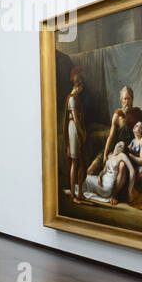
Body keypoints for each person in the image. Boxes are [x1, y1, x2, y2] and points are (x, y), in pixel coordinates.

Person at [82, 141, 135, 205]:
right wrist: (100, 176)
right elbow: (104, 170)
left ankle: (110, 196)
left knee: (85, 181)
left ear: (123, 150)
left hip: (108, 185)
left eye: (122, 146)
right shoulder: (110, 155)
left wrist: (129, 192)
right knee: (85, 178)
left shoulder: (121, 156)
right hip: (101, 181)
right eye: (119, 143)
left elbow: (132, 171)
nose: (120, 145)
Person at [64, 69, 86, 202]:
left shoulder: (76, 98)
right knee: (75, 161)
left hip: (76, 129)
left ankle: (80, 193)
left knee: (80, 162)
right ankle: (73, 195)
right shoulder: (71, 98)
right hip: (73, 129)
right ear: (77, 86)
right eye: (81, 87)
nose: (82, 90)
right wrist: (82, 132)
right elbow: (76, 120)